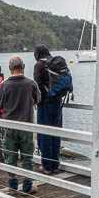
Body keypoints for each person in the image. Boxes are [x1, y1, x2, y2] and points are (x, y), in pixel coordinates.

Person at [0, 56, 41, 195]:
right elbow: (38, 99)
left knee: (10, 156)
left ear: (9, 68)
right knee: (27, 157)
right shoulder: (31, 84)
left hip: (9, 126)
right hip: (26, 126)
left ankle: (13, 187)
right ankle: (27, 186)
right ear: (23, 66)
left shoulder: (3, 85)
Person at [33, 44, 62, 175]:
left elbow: (37, 85)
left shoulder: (39, 65)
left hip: (45, 104)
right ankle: (55, 164)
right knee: (56, 133)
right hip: (58, 103)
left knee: (44, 135)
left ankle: (47, 166)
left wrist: (35, 100)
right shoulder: (56, 62)